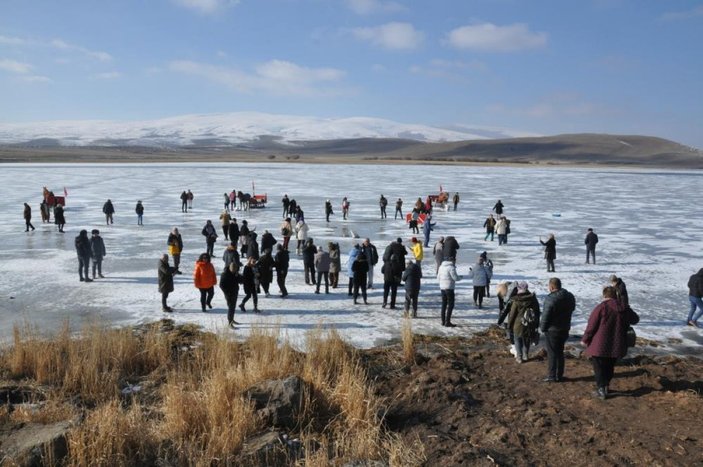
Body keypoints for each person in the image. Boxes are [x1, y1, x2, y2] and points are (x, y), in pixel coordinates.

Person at [581, 286, 639, 399]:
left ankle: (601, 389)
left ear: (604, 295)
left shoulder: (601, 307)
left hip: (600, 343)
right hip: (617, 343)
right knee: (609, 366)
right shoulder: (623, 308)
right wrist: (627, 309)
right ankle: (605, 386)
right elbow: (635, 319)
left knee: (599, 366)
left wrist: (585, 339)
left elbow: (592, 325)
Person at [540, 278, 576, 382]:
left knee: (552, 353)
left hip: (552, 330)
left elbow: (546, 316)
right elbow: (572, 308)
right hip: (564, 328)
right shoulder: (569, 296)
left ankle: (552, 376)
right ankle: (559, 375)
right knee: (560, 352)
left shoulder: (550, 299)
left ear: (551, 287)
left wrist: (543, 328)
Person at [507, 282, 541, 363]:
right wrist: (536, 323)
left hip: (518, 324)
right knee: (527, 339)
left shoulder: (516, 300)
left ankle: (519, 357)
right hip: (530, 323)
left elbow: (512, 315)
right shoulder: (533, 299)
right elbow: (537, 312)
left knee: (517, 339)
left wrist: (509, 325)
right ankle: (525, 355)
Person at [437, 259, 461, 327]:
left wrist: (442, 283)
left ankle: (443, 321)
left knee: (444, 304)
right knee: (451, 304)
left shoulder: (441, 267)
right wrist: (460, 277)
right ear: (452, 261)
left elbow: (438, 278)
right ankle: (448, 322)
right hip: (449, 288)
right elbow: (455, 278)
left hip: (442, 288)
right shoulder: (451, 267)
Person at [220, 262, 241, 327]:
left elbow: (241, 281)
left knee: (233, 307)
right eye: (232, 270)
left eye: (235, 270)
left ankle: (232, 319)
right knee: (231, 307)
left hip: (235, 292)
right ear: (229, 268)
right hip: (229, 294)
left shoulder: (236, 273)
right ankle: (230, 322)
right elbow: (221, 285)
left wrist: (238, 276)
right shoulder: (224, 274)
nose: (233, 271)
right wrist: (227, 293)